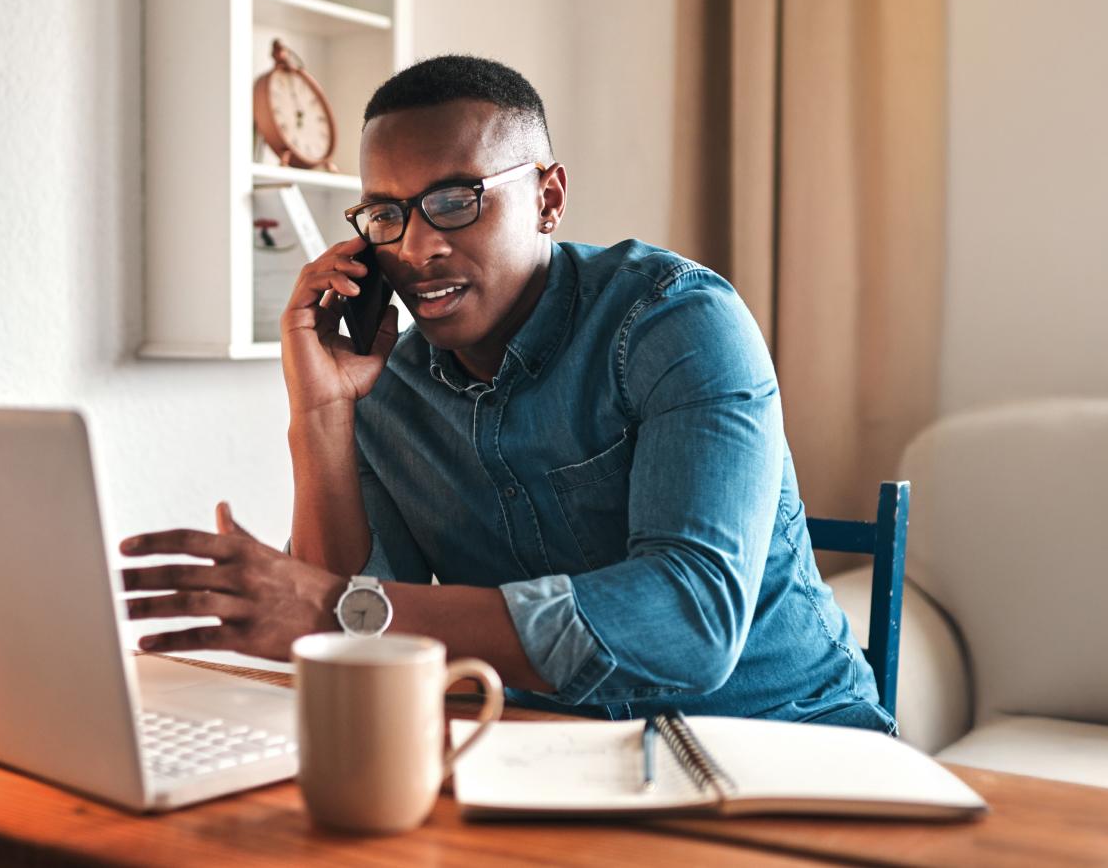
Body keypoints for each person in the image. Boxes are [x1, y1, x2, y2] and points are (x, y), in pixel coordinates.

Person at [120, 55, 893, 731]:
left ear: (548, 199)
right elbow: (339, 645)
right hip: (540, 751)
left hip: (783, 740)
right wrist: (319, 418)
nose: (418, 246)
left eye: (457, 199)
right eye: (386, 215)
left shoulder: (678, 322)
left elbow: (690, 622)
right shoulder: (385, 388)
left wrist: (335, 611)